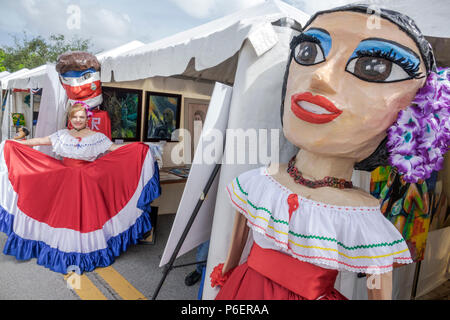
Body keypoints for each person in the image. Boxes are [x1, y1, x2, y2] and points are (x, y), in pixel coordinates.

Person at [210, 4, 449, 300]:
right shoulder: (262, 179)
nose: (320, 76)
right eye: (308, 52)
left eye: (376, 66)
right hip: (244, 290)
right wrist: (229, 270)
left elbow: (378, 289)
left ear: (414, 115)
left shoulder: (362, 216)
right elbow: (239, 237)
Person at [0, 101, 161, 274]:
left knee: (87, 217)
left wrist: (139, 148)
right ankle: (62, 249)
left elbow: (115, 149)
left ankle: (86, 251)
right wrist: (13, 143)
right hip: (64, 181)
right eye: (75, 116)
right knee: (64, 217)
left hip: (87, 182)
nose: (78, 120)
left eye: (81, 117)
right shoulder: (61, 135)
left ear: (87, 118)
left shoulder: (97, 137)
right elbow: (38, 141)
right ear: (70, 118)